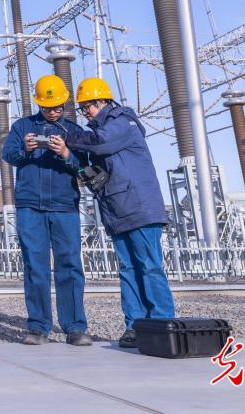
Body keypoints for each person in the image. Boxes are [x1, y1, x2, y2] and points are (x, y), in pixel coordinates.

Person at [62, 77, 176, 349]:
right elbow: (94, 175)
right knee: (127, 269)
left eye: (87, 106)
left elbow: (100, 142)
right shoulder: (99, 133)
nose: (85, 112)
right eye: (82, 108)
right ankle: (135, 325)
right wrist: (68, 155)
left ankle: (162, 322)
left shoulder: (122, 123)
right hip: (116, 210)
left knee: (149, 266)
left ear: (103, 101)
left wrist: (67, 136)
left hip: (139, 208)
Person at [2, 75, 92, 346]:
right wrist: (27, 150)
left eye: (58, 106)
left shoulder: (74, 131)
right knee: (35, 267)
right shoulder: (22, 127)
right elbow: (8, 155)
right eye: (47, 107)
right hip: (30, 206)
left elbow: (83, 167)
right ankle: (38, 327)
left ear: (64, 103)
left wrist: (66, 154)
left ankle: (75, 327)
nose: (53, 111)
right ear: (38, 104)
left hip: (65, 206)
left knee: (70, 265)